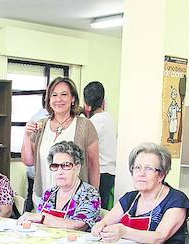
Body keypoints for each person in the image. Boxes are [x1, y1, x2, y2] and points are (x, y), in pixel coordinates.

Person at [21, 77, 99, 203]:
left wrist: (94, 196)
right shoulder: (41, 125)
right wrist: (26, 136)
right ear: (49, 100)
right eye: (54, 95)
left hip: (76, 201)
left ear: (72, 98)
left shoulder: (85, 125)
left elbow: (93, 165)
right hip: (43, 198)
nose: (59, 99)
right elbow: (29, 161)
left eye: (64, 94)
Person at [19, 141, 100, 231]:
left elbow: (79, 225)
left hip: (76, 243)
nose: (60, 172)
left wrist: (42, 218)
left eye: (66, 165)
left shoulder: (89, 194)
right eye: (55, 166)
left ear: (77, 168)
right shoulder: (49, 194)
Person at [83, 81, 117, 209]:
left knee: (96, 210)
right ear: (103, 101)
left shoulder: (92, 123)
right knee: (104, 209)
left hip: (100, 174)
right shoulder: (108, 118)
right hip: (110, 172)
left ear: (86, 104)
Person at [24, 105, 50, 212]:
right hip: (38, 172)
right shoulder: (41, 120)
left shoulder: (35, 116)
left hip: (33, 172)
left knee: (31, 199)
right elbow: (29, 159)